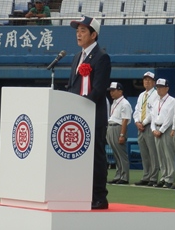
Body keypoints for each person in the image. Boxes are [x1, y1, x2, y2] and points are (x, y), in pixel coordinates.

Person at [67, 16, 111, 210]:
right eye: (77, 30)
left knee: (96, 157)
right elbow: (72, 86)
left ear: (94, 35)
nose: (78, 34)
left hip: (93, 116)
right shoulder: (77, 57)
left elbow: (99, 89)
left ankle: (100, 196)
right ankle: (81, 194)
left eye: (83, 31)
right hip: (77, 117)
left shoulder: (102, 57)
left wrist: (81, 107)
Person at [133, 71, 159, 187]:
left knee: (152, 153)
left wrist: (143, 122)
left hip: (149, 125)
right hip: (140, 126)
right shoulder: (141, 95)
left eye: (149, 80)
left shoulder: (156, 94)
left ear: (153, 82)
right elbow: (137, 110)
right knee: (144, 153)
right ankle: (146, 176)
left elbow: (152, 112)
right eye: (145, 80)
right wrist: (137, 122)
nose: (147, 82)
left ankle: (153, 177)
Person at [150, 78, 175, 188]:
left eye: (161, 87)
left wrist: (161, 130)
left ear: (167, 88)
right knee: (160, 155)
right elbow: (152, 117)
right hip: (156, 128)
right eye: (157, 87)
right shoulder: (156, 102)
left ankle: (170, 178)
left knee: (168, 155)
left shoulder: (171, 101)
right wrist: (153, 129)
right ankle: (163, 176)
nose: (159, 89)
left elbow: (170, 118)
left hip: (165, 129)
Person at [106, 82, 133, 185]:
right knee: (116, 154)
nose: (111, 93)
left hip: (118, 128)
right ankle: (118, 175)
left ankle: (124, 177)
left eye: (113, 90)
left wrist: (122, 135)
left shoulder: (124, 103)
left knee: (121, 154)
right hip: (111, 126)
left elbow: (125, 120)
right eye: (111, 91)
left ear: (120, 91)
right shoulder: (114, 102)